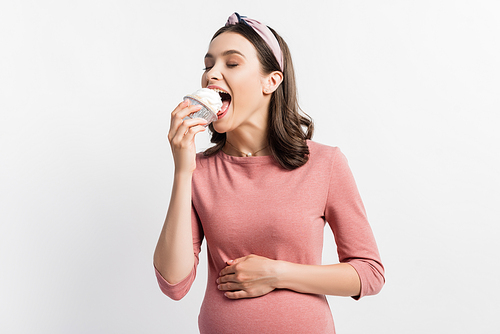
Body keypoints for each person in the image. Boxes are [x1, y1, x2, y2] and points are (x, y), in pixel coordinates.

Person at [153, 12, 385, 334]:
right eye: (208, 65)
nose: (211, 75)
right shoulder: (200, 171)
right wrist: (182, 170)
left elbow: (369, 273)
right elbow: (174, 284)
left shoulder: (324, 164)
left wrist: (277, 273)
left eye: (231, 64)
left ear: (271, 81)